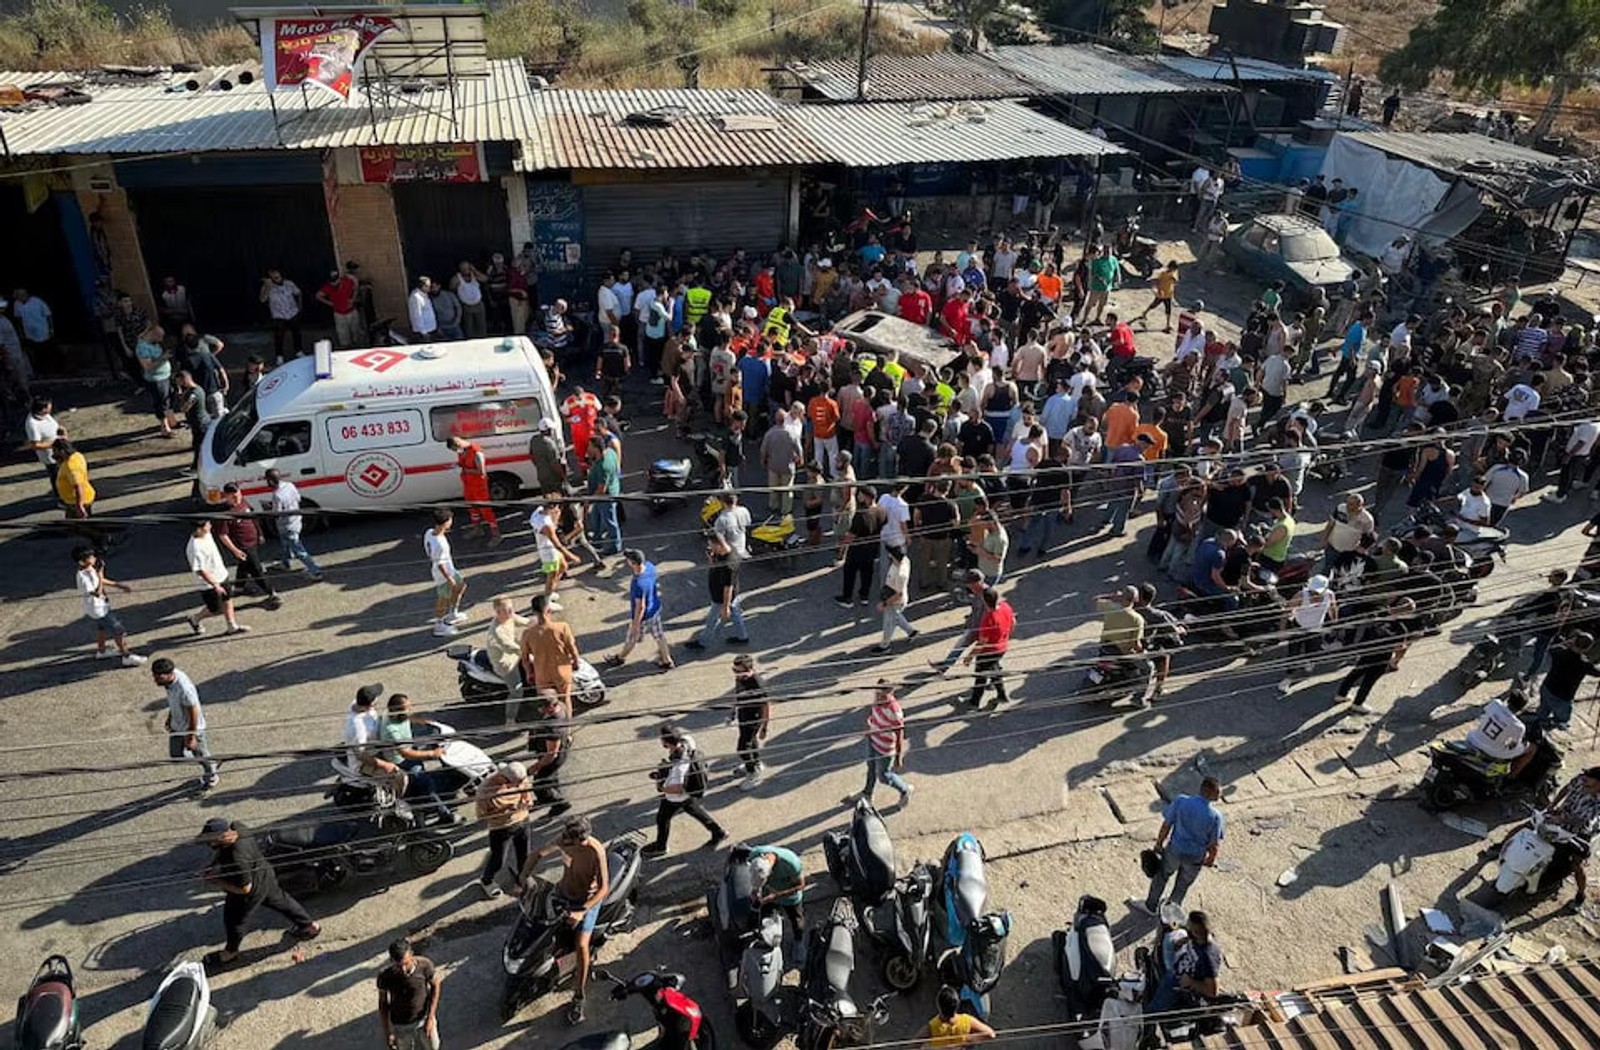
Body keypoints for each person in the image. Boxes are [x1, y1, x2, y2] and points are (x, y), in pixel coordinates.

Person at [519, 816, 611, 1024]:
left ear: (582, 839)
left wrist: (581, 912)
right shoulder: (563, 839)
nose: (565, 843)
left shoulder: (596, 851)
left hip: (586, 900)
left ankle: (579, 995)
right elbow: (537, 854)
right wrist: (524, 877)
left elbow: (604, 888)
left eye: (571, 840)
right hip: (562, 891)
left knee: (581, 945)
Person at [198, 817, 319, 965]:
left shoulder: (237, 858)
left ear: (223, 837)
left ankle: (230, 953)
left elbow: (245, 888)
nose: (209, 844)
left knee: (234, 920)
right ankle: (309, 926)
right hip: (264, 873)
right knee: (282, 901)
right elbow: (221, 851)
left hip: (250, 891)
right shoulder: (238, 827)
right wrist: (214, 864)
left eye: (211, 841)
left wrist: (216, 880)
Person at [1133, 777, 1224, 916]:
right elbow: (1214, 844)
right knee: (1182, 885)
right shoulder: (1216, 817)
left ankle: (1150, 906)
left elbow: (1166, 825)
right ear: (1210, 792)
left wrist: (1159, 844)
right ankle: (1170, 914)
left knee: (1161, 875)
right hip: (1195, 856)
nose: (1221, 794)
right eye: (1218, 791)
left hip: (1175, 850)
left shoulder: (1181, 801)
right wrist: (1210, 860)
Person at [643, 725, 727, 858]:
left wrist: (662, 788)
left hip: (677, 797)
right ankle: (718, 832)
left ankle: (661, 847)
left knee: (662, 818)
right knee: (694, 810)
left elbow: (678, 789)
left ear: (665, 742)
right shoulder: (687, 743)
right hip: (689, 791)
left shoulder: (679, 766)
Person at [1335, 596, 1417, 713]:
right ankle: (1358, 703)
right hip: (1383, 656)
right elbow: (1399, 647)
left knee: (1357, 671)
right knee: (1369, 680)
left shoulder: (1379, 612)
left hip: (1367, 650)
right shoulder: (1401, 628)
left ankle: (1341, 694)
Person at [153, 658, 219, 789]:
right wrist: (171, 717)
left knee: (201, 754)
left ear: (169, 674)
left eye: (158, 677)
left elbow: (194, 712)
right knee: (177, 756)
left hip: (192, 728)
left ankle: (212, 773)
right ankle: (209, 761)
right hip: (177, 726)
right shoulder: (169, 681)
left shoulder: (184, 689)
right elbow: (173, 701)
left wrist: (191, 736)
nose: (155, 680)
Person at [72, 547, 143, 666]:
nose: (94, 558)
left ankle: (102, 651)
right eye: (90, 557)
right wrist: (100, 575)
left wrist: (119, 585)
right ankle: (126, 656)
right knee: (118, 630)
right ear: (81, 561)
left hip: (100, 606)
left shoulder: (89, 568)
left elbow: (100, 580)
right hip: (98, 609)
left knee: (102, 628)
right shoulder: (82, 577)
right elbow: (97, 593)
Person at [215, 483, 280, 609]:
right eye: (233, 497)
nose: (237, 499)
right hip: (242, 546)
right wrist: (235, 550)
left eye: (238, 495)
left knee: (244, 566)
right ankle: (271, 592)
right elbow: (223, 535)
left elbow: (253, 518)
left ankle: (239, 588)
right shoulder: (225, 513)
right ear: (226, 496)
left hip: (253, 541)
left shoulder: (243, 502)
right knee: (256, 569)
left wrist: (260, 533)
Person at [1147, 911, 1224, 1014]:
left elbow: (1212, 991)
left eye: (1188, 927)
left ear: (1195, 933)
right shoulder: (1201, 938)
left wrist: (1191, 982)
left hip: (1178, 981)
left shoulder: (1207, 958)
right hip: (1181, 963)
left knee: (1157, 1004)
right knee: (1168, 938)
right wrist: (1183, 941)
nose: (1186, 927)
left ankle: (1151, 1013)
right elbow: (1191, 938)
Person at [474, 761, 532, 898]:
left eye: (519, 783)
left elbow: (526, 794)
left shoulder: (520, 779)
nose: (517, 786)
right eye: (514, 784)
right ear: (503, 777)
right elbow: (482, 817)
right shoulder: (484, 791)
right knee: (498, 860)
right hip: (501, 828)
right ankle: (486, 880)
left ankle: (523, 877)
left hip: (523, 820)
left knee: (525, 854)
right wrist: (503, 810)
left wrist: (527, 801)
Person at [609, 549, 674, 670]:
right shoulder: (650, 566)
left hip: (644, 616)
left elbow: (640, 607)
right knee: (659, 635)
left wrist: (635, 625)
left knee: (632, 638)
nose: (627, 561)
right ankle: (667, 660)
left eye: (628, 560)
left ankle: (620, 658)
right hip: (655, 608)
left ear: (633, 563)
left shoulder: (638, 583)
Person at [184, 520, 250, 636]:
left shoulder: (207, 534)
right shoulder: (195, 547)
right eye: (207, 524)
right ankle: (195, 619)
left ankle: (232, 626)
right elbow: (201, 570)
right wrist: (215, 585)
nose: (210, 525)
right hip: (208, 584)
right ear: (200, 528)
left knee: (228, 598)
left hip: (221, 574)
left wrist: (235, 551)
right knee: (215, 609)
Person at [686, 535, 750, 651]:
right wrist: (711, 558)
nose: (710, 547)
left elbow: (728, 588)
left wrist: (725, 607)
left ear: (719, 545)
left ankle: (703, 642)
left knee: (712, 620)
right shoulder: (726, 550)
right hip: (730, 594)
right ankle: (743, 636)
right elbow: (715, 567)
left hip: (721, 598)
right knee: (735, 614)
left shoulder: (729, 564)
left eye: (711, 545)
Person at [377, 937, 442, 1050]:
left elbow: (435, 986)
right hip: (400, 1025)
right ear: (391, 960)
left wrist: (430, 1017)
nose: (403, 969)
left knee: (433, 1047)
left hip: (423, 1019)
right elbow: (383, 1003)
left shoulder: (425, 965)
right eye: (398, 966)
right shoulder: (385, 976)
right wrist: (387, 1032)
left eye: (406, 964)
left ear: (411, 954)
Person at [521, 593, 582, 712]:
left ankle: (552, 720)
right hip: (562, 671)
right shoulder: (562, 627)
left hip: (542, 673)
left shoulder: (527, 634)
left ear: (533, 612)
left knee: (547, 704)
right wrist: (576, 662)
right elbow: (572, 648)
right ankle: (567, 722)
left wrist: (529, 673)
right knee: (565, 700)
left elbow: (525, 658)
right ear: (549, 610)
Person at [1278, 575, 1336, 694]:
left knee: (1313, 650)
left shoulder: (1330, 595)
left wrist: (1334, 623)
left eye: (1317, 592)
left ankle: (1309, 661)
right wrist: (1282, 631)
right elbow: (1286, 612)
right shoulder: (1301, 595)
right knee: (1293, 653)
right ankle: (1288, 678)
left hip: (1316, 629)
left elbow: (1333, 608)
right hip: (1299, 628)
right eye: (1312, 591)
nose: (1314, 594)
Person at [261, 469, 324, 581]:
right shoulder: (290, 485)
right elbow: (298, 498)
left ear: (271, 481)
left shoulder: (277, 495)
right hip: (296, 520)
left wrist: (268, 508)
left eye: (267, 480)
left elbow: (277, 514)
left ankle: (315, 571)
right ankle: (286, 563)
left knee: (298, 550)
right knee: (285, 545)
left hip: (286, 526)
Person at [860, 680, 913, 806]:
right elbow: (872, 712)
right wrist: (869, 724)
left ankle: (905, 789)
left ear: (890, 693)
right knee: (871, 767)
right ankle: (867, 793)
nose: (879, 698)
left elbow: (900, 734)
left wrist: (898, 757)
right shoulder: (877, 699)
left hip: (885, 748)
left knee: (884, 776)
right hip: (872, 740)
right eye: (877, 693)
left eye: (882, 696)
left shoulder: (894, 710)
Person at [963, 588, 1015, 710]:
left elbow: (982, 642)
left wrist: (969, 656)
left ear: (984, 602)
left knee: (981, 675)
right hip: (1002, 647)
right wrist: (1006, 636)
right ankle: (1002, 696)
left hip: (988, 652)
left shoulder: (988, 619)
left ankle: (974, 702)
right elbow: (1013, 622)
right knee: (994, 670)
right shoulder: (1005, 607)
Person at [1535, 632, 1600, 730]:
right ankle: (1557, 724)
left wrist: (1566, 643)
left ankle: (1541, 721)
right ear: (1587, 648)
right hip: (1563, 697)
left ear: (1574, 641)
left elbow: (1551, 648)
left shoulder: (1560, 652)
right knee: (1562, 717)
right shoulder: (1584, 664)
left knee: (1544, 707)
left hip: (1547, 687)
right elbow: (1597, 673)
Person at [446, 435, 501, 546]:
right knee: (472, 508)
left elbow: (481, 471)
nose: (456, 452)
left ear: (458, 444)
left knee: (486, 511)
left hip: (479, 486)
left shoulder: (476, 452)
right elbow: (463, 464)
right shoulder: (462, 451)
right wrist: (457, 465)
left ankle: (496, 535)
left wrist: (464, 469)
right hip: (468, 485)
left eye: (455, 449)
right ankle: (477, 529)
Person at [526, 688, 573, 818]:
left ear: (552, 707)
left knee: (539, 784)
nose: (539, 709)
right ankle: (551, 797)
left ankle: (560, 804)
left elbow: (551, 754)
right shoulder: (561, 706)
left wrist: (535, 767)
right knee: (551, 778)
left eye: (542, 707)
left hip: (552, 757)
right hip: (553, 750)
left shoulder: (553, 727)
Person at [424, 509, 468, 637]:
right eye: (450, 520)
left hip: (450, 569)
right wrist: (449, 579)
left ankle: (453, 613)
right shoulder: (440, 544)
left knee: (461, 586)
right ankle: (439, 625)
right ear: (445, 523)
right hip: (444, 574)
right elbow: (440, 564)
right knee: (443, 599)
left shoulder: (429, 532)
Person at [731, 653, 770, 789]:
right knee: (751, 741)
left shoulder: (757, 684)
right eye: (734, 670)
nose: (736, 674)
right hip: (743, 714)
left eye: (738, 671)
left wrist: (764, 727)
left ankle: (753, 772)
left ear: (749, 669)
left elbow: (766, 706)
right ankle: (756, 762)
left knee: (742, 749)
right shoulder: (740, 678)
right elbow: (738, 694)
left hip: (754, 718)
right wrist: (733, 711)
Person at [917, 985, 997, 1048]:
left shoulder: (931, 1027)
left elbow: (912, 1045)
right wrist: (968, 1040)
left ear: (939, 1006)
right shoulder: (966, 1021)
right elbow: (991, 1034)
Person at [875, 545, 918, 653]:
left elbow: (899, 594)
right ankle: (912, 632)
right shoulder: (905, 560)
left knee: (888, 624)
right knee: (896, 617)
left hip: (895, 601)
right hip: (893, 596)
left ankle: (885, 646)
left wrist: (884, 604)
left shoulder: (900, 574)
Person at [259, 269, 303, 363]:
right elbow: (262, 299)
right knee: (279, 336)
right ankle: (279, 356)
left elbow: (298, 293)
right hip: (278, 315)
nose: (277, 279)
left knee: (296, 333)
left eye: (278, 277)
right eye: (274, 278)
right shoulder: (267, 287)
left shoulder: (289, 283)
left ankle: (298, 351)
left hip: (292, 312)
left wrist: (299, 306)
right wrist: (268, 287)